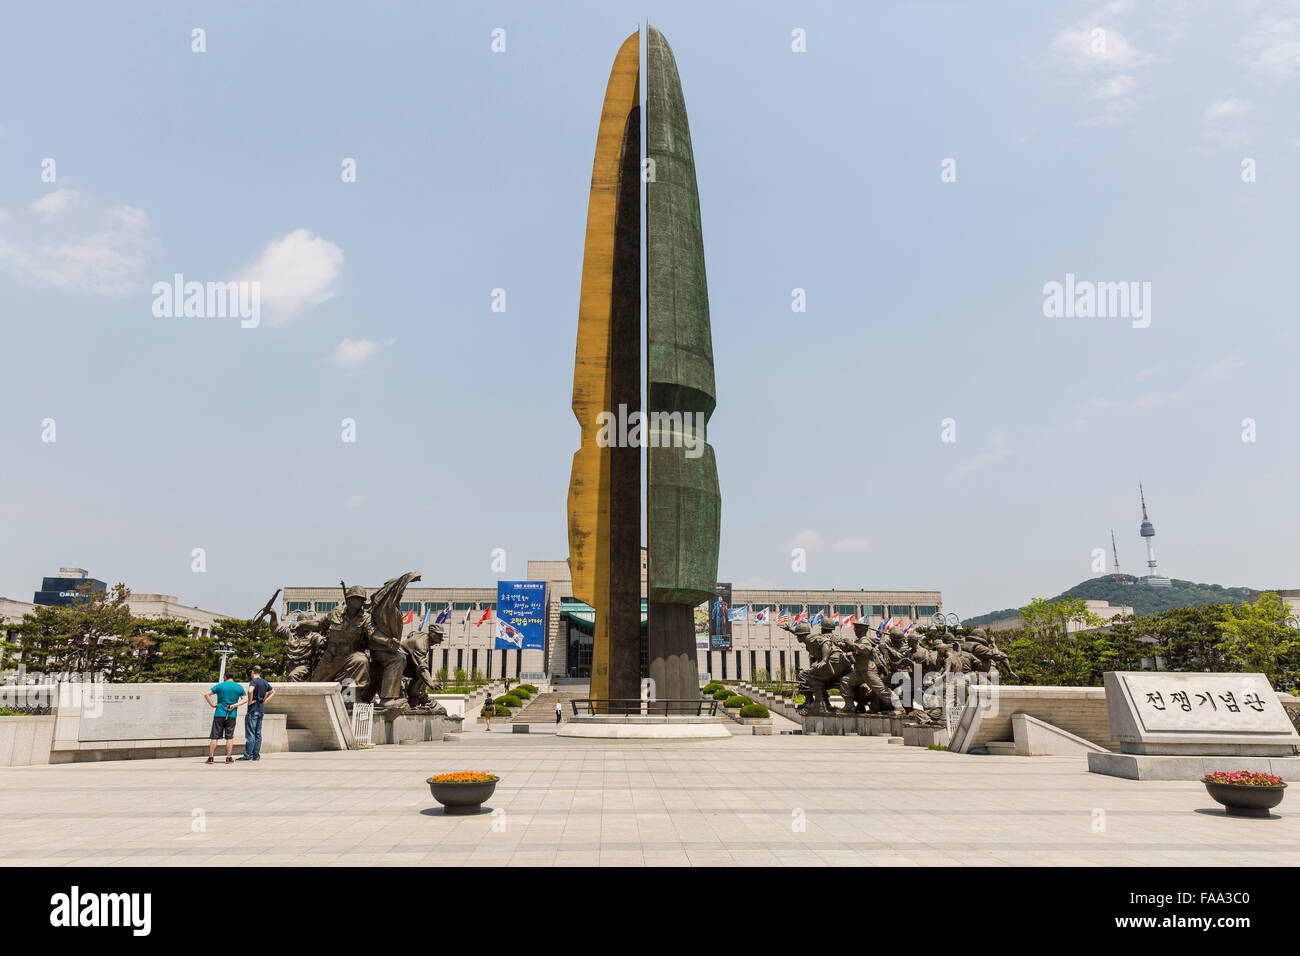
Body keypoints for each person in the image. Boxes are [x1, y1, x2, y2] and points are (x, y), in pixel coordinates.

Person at [204, 675, 248, 764]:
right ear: (233, 677)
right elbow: (245, 699)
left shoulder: (220, 686)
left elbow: (206, 694)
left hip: (219, 713)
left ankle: (211, 758)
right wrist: (235, 705)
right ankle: (228, 758)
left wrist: (212, 704)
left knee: (214, 736)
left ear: (225, 677)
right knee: (229, 737)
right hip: (231, 714)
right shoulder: (238, 686)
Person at [238, 666, 275, 761]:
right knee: (258, 733)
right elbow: (272, 692)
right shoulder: (264, 682)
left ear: (253, 672)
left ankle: (248, 756)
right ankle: (256, 755)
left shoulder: (254, 681)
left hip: (253, 710)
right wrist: (264, 701)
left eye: (251, 673)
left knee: (250, 733)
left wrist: (250, 701)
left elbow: (250, 690)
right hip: (261, 710)